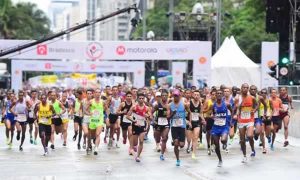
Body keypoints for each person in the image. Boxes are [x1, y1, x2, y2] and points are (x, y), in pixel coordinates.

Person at [235, 83, 257, 163]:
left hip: (250, 120)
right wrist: (236, 113)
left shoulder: (252, 97)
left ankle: (252, 149)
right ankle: (244, 156)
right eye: (244, 87)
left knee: (250, 136)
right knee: (242, 140)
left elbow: (257, 105)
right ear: (241, 88)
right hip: (241, 121)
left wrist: (254, 110)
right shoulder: (238, 98)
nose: (246, 89)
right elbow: (236, 108)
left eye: (247, 88)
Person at [127, 93, 152, 162]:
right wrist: (134, 121)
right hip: (135, 126)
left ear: (144, 99)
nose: (141, 99)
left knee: (141, 141)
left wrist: (148, 116)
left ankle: (137, 156)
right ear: (137, 99)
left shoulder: (147, 108)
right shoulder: (134, 107)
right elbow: (127, 116)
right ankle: (132, 148)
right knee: (135, 143)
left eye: (142, 98)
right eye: (140, 98)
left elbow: (151, 118)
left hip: (143, 126)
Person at [212, 89, 232, 167]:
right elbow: (213, 113)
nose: (219, 94)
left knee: (223, 140)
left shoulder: (227, 104)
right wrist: (213, 117)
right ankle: (220, 160)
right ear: (216, 95)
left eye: (221, 93)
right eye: (218, 93)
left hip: (224, 126)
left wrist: (230, 120)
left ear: (222, 95)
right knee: (217, 145)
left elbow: (232, 110)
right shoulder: (213, 105)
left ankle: (225, 143)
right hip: (215, 127)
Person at [169, 89, 190, 166]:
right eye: (174, 96)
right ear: (173, 96)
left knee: (181, 145)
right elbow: (168, 117)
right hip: (174, 127)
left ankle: (176, 142)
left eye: (177, 96)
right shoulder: (170, 105)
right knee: (176, 143)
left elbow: (189, 112)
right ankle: (178, 159)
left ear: (180, 96)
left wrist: (189, 121)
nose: (176, 97)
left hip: (182, 126)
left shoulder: (184, 104)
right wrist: (172, 114)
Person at [152, 89, 170, 160]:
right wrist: (153, 120)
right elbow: (151, 112)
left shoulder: (169, 105)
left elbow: (168, 115)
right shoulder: (157, 105)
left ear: (168, 96)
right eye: (163, 95)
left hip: (166, 123)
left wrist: (170, 115)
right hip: (158, 123)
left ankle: (162, 154)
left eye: (166, 95)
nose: (164, 97)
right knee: (158, 137)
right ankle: (157, 144)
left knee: (164, 138)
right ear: (161, 96)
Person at [187, 90, 205, 159]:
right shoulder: (189, 103)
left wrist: (203, 119)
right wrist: (189, 122)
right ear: (192, 95)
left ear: (199, 96)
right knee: (189, 139)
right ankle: (189, 145)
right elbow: (187, 113)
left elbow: (200, 113)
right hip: (190, 122)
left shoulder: (201, 104)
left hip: (197, 122)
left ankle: (194, 153)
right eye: (195, 95)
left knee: (195, 137)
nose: (196, 96)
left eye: (198, 95)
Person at [88, 88, 106, 155]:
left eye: (99, 92)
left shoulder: (103, 102)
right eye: (96, 92)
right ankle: (94, 140)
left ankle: (96, 148)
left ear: (100, 94)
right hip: (92, 120)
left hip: (100, 120)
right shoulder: (91, 101)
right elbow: (86, 110)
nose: (98, 94)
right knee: (93, 136)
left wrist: (106, 118)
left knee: (98, 134)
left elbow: (106, 109)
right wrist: (90, 113)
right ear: (94, 94)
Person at [203, 90, 216, 155]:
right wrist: (209, 109)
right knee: (209, 132)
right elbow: (202, 110)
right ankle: (208, 145)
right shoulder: (208, 101)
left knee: (214, 133)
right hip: (208, 119)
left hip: (215, 119)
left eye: (215, 94)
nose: (214, 96)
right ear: (210, 95)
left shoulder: (218, 102)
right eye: (212, 94)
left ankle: (212, 144)